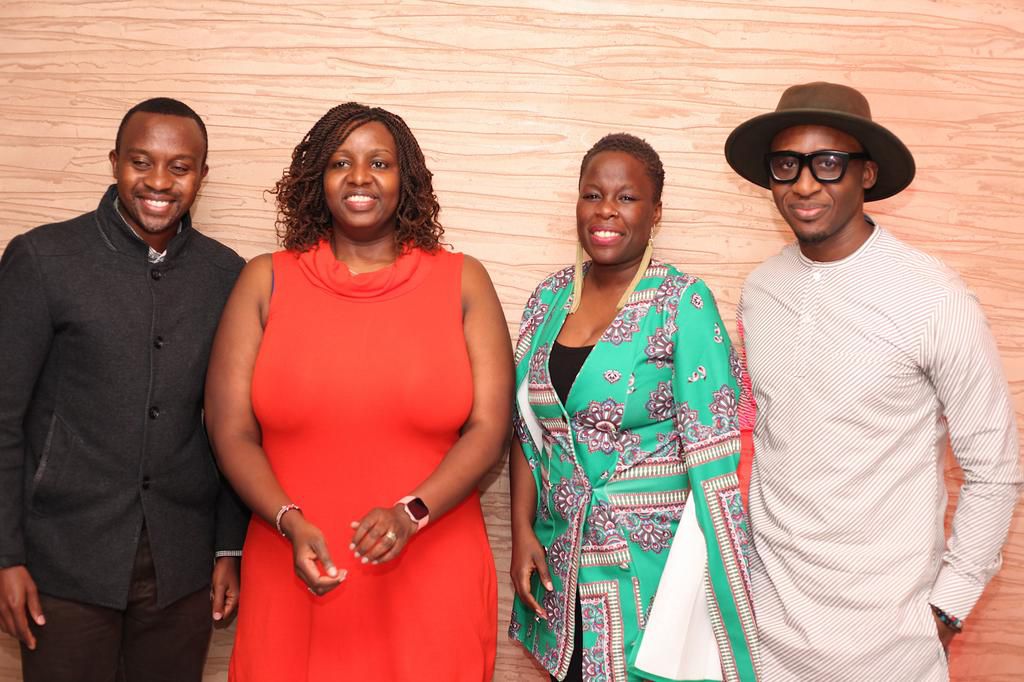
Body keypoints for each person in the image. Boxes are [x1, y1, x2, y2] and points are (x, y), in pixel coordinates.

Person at [724, 81, 1023, 680]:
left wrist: (951, 604)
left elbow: (995, 466)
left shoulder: (931, 297)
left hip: (890, 648)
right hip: (765, 639)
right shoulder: (760, 292)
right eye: (787, 164)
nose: (804, 184)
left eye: (828, 163)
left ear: (867, 175)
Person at [205, 102, 512, 681]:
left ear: (407, 179)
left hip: (431, 567)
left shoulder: (462, 280)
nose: (360, 177)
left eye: (380, 163)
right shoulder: (265, 281)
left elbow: (490, 427)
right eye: (340, 162)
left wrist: (410, 512)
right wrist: (289, 520)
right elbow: (230, 431)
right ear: (316, 180)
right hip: (290, 563)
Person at [0, 97, 248, 681]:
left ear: (201, 176)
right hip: (61, 561)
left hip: (180, 567)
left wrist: (227, 548)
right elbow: (2, 419)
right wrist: (5, 556)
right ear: (114, 162)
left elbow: (234, 423)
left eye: (180, 167)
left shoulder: (227, 276)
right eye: (141, 162)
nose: (158, 182)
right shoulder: (41, 259)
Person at [508, 133, 759, 682]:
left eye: (626, 198)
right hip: (563, 563)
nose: (606, 211)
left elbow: (716, 456)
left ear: (655, 213)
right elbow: (528, 434)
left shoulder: (682, 303)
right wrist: (523, 530)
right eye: (592, 194)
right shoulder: (547, 299)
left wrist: (720, 590)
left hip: (653, 573)